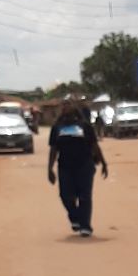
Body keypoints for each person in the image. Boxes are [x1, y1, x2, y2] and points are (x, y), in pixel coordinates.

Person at [48, 98, 108, 236]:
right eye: (63, 105)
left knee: (84, 196)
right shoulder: (57, 128)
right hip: (65, 167)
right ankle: (75, 217)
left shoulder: (84, 126)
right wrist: (49, 169)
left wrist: (104, 163)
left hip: (85, 165)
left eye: (68, 105)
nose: (65, 107)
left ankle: (85, 226)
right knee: (65, 196)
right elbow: (53, 149)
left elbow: (94, 145)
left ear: (74, 109)